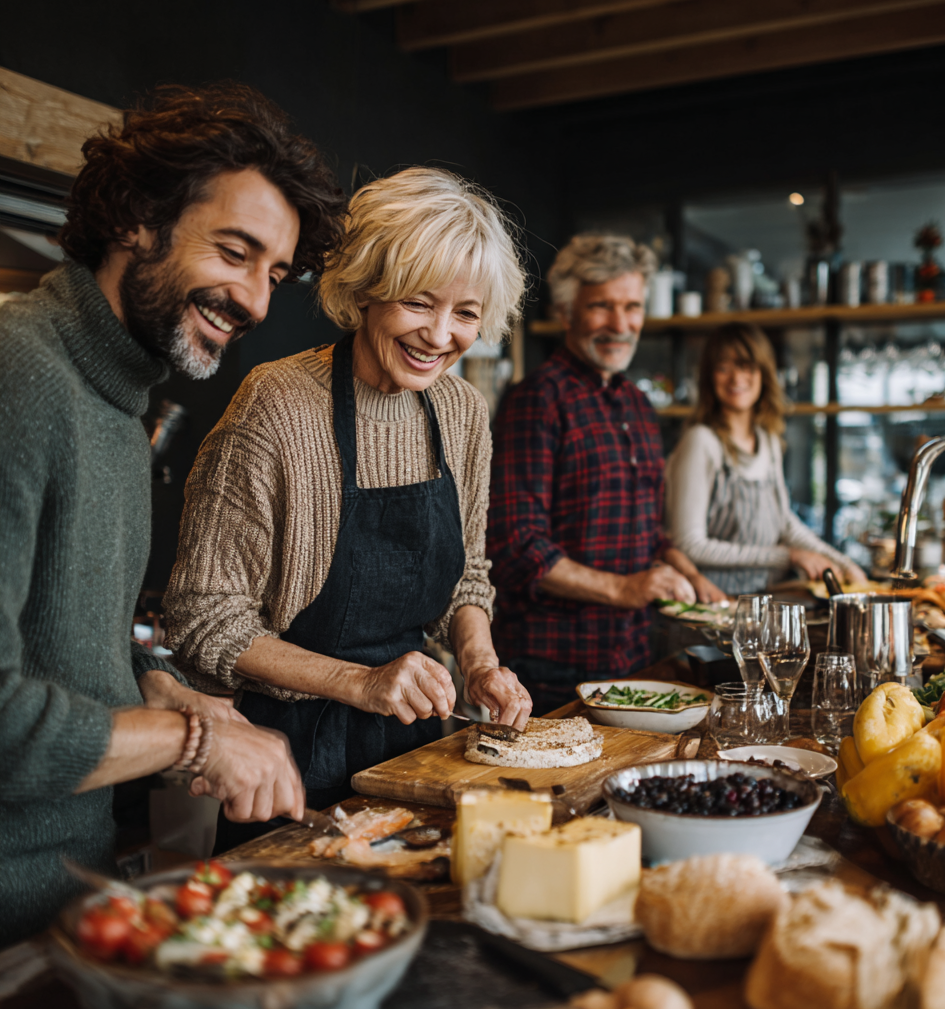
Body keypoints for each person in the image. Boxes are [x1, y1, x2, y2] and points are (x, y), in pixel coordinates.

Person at [0, 82, 347, 947]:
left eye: (274, 273)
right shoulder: (20, 375)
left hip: (62, 900)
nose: (258, 302)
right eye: (235, 252)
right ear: (138, 219)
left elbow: (52, 634)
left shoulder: (119, 402)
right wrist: (191, 739)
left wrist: (151, 682)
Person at [163, 167, 533, 849]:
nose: (441, 335)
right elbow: (201, 617)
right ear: (366, 291)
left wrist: (478, 661)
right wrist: (360, 683)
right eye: (420, 303)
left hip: (417, 749)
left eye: (467, 313)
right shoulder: (276, 403)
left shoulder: (463, 412)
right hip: (285, 760)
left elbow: (469, 576)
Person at [487, 235, 726, 715]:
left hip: (635, 650)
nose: (621, 325)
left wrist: (692, 575)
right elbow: (515, 545)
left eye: (632, 306)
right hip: (553, 662)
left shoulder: (637, 404)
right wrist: (623, 588)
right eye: (602, 307)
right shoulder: (536, 400)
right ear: (566, 311)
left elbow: (643, 533)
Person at [666, 320, 868, 594]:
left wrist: (842, 562)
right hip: (712, 605)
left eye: (746, 366)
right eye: (723, 368)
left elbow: (784, 523)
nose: (736, 379)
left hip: (762, 599)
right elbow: (690, 544)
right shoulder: (701, 442)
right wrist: (788, 556)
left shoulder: (768, 440)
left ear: (763, 373)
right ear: (708, 378)